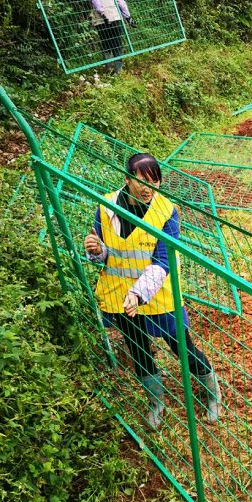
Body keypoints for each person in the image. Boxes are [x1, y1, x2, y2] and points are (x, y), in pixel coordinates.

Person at [84, 153, 223, 428]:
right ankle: (155, 401)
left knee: (182, 348)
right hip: (118, 295)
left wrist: (138, 293)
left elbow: (163, 261)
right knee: (139, 352)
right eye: (143, 181)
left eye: (155, 181)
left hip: (158, 295)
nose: (149, 188)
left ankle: (213, 392)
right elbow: (104, 250)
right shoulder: (107, 206)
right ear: (127, 178)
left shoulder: (166, 211)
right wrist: (97, 251)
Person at [85, 0, 136, 74]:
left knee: (106, 43)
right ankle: (118, 70)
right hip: (115, 17)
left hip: (101, 20)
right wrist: (127, 16)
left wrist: (102, 12)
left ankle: (109, 68)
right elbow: (120, 0)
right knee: (117, 43)